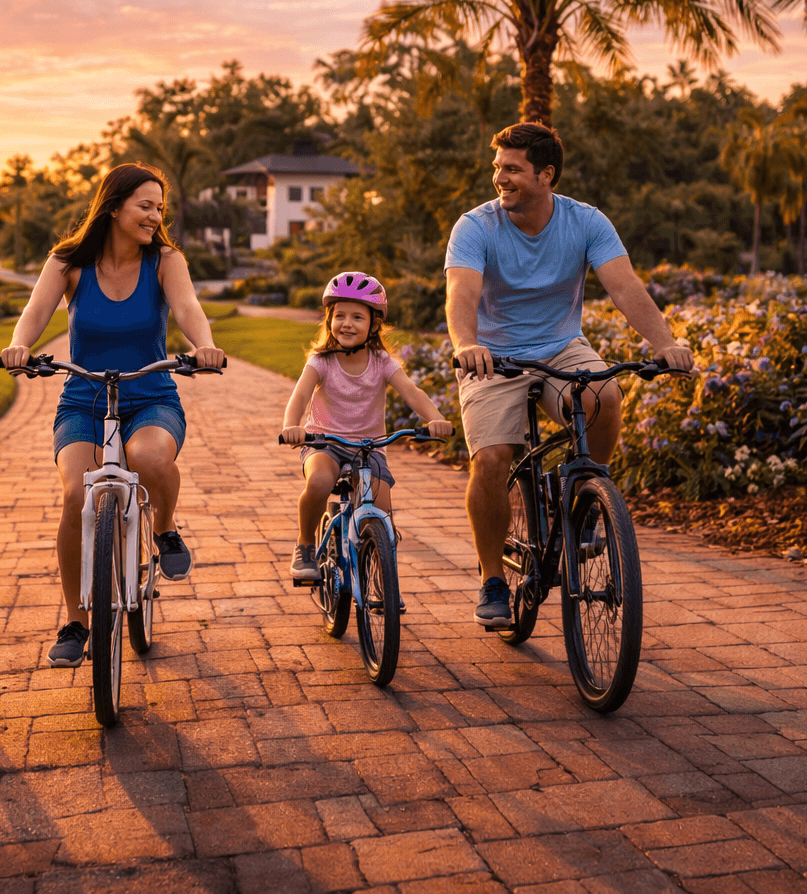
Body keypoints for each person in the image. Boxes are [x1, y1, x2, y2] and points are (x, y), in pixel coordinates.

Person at [445, 122, 695, 628]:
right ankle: (493, 579)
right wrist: (468, 345)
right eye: (498, 167)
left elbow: (625, 288)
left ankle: (580, 492)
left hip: (561, 348)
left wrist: (666, 345)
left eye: (512, 169)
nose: (500, 178)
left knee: (605, 394)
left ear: (546, 174)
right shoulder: (475, 227)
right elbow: (462, 296)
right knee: (492, 459)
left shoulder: (586, 222)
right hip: (493, 356)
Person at [0, 163, 226, 668]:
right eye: (145, 206)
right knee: (77, 493)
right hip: (83, 400)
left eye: (159, 208)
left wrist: (205, 345)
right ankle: (76, 621)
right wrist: (19, 345)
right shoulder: (68, 262)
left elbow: (187, 307)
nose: (154, 216)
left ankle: (164, 528)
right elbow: (36, 312)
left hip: (150, 397)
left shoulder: (165, 260)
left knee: (147, 458)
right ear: (114, 205)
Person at [279, 272, 454, 580]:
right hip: (325, 442)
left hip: (369, 447)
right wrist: (291, 426)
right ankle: (305, 544)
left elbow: (412, 392)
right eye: (340, 315)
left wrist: (435, 419)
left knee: (383, 511)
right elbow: (300, 395)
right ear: (329, 319)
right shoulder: (321, 361)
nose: (347, 323)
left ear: (374, 324)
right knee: (319, 482)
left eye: (357, 317)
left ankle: (381, 580)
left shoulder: (382, 361)